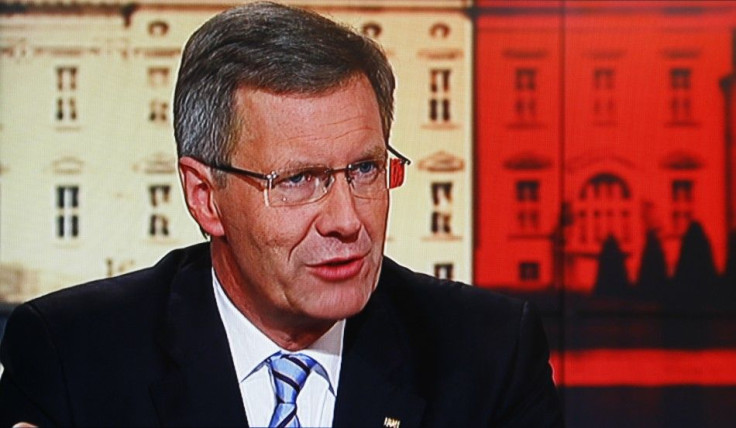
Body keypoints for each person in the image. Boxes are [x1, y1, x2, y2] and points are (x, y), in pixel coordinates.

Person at [0, 2, 563, 426]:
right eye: (298, 180)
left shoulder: (489, 356)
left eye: (364, 170)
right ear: (205, 196)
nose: (347, 219)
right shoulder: (72, 355)